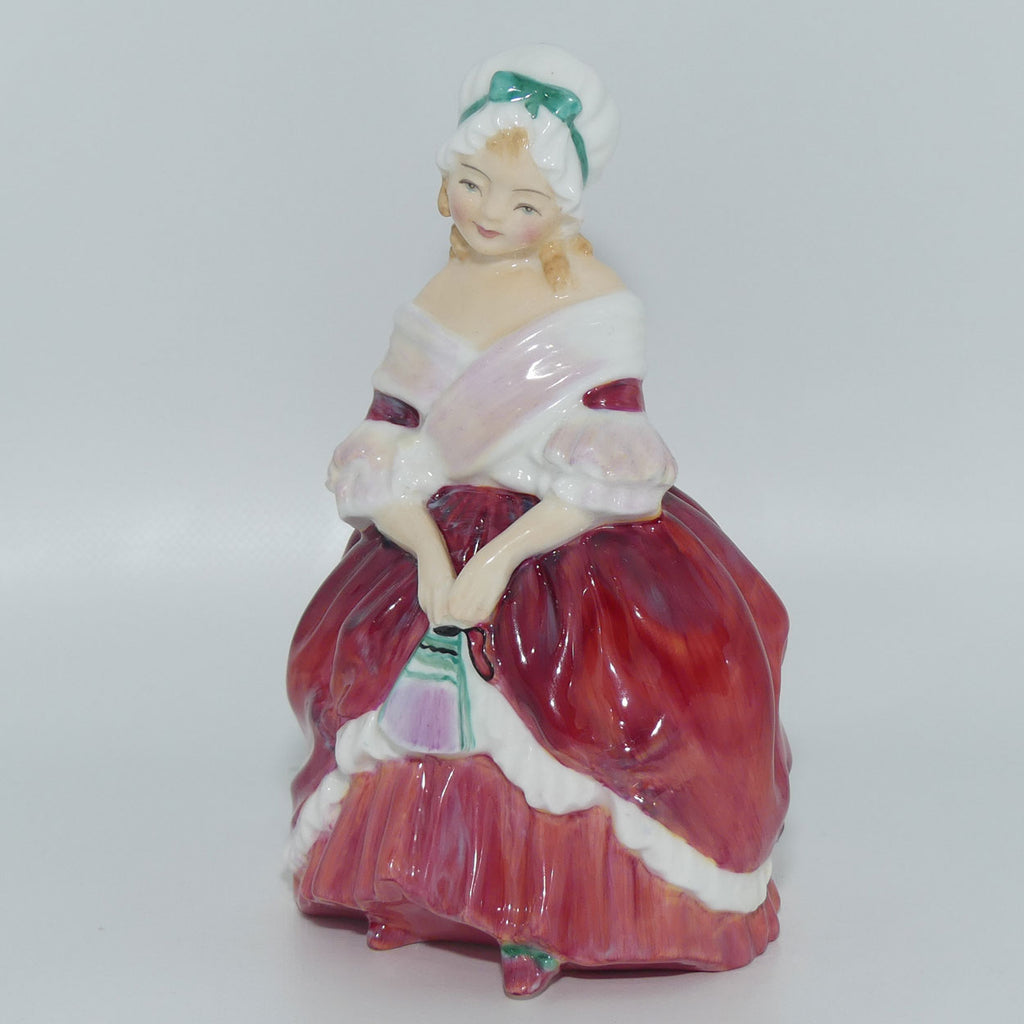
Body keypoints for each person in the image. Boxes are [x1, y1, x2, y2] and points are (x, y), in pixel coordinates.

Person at [286, 45, 790, 998]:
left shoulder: (596, 309)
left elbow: (609, 465)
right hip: (434, 531)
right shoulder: (429, 305)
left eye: (523, 202)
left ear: (561, 212)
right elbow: (387, 441)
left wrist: (498, 562)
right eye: (474, 185)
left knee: (607, 701)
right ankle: (408, 886)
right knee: (365, 675)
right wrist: (429, 556)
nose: (490, 213)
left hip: (562, 540)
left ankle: (549, 912)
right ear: (446, 183)